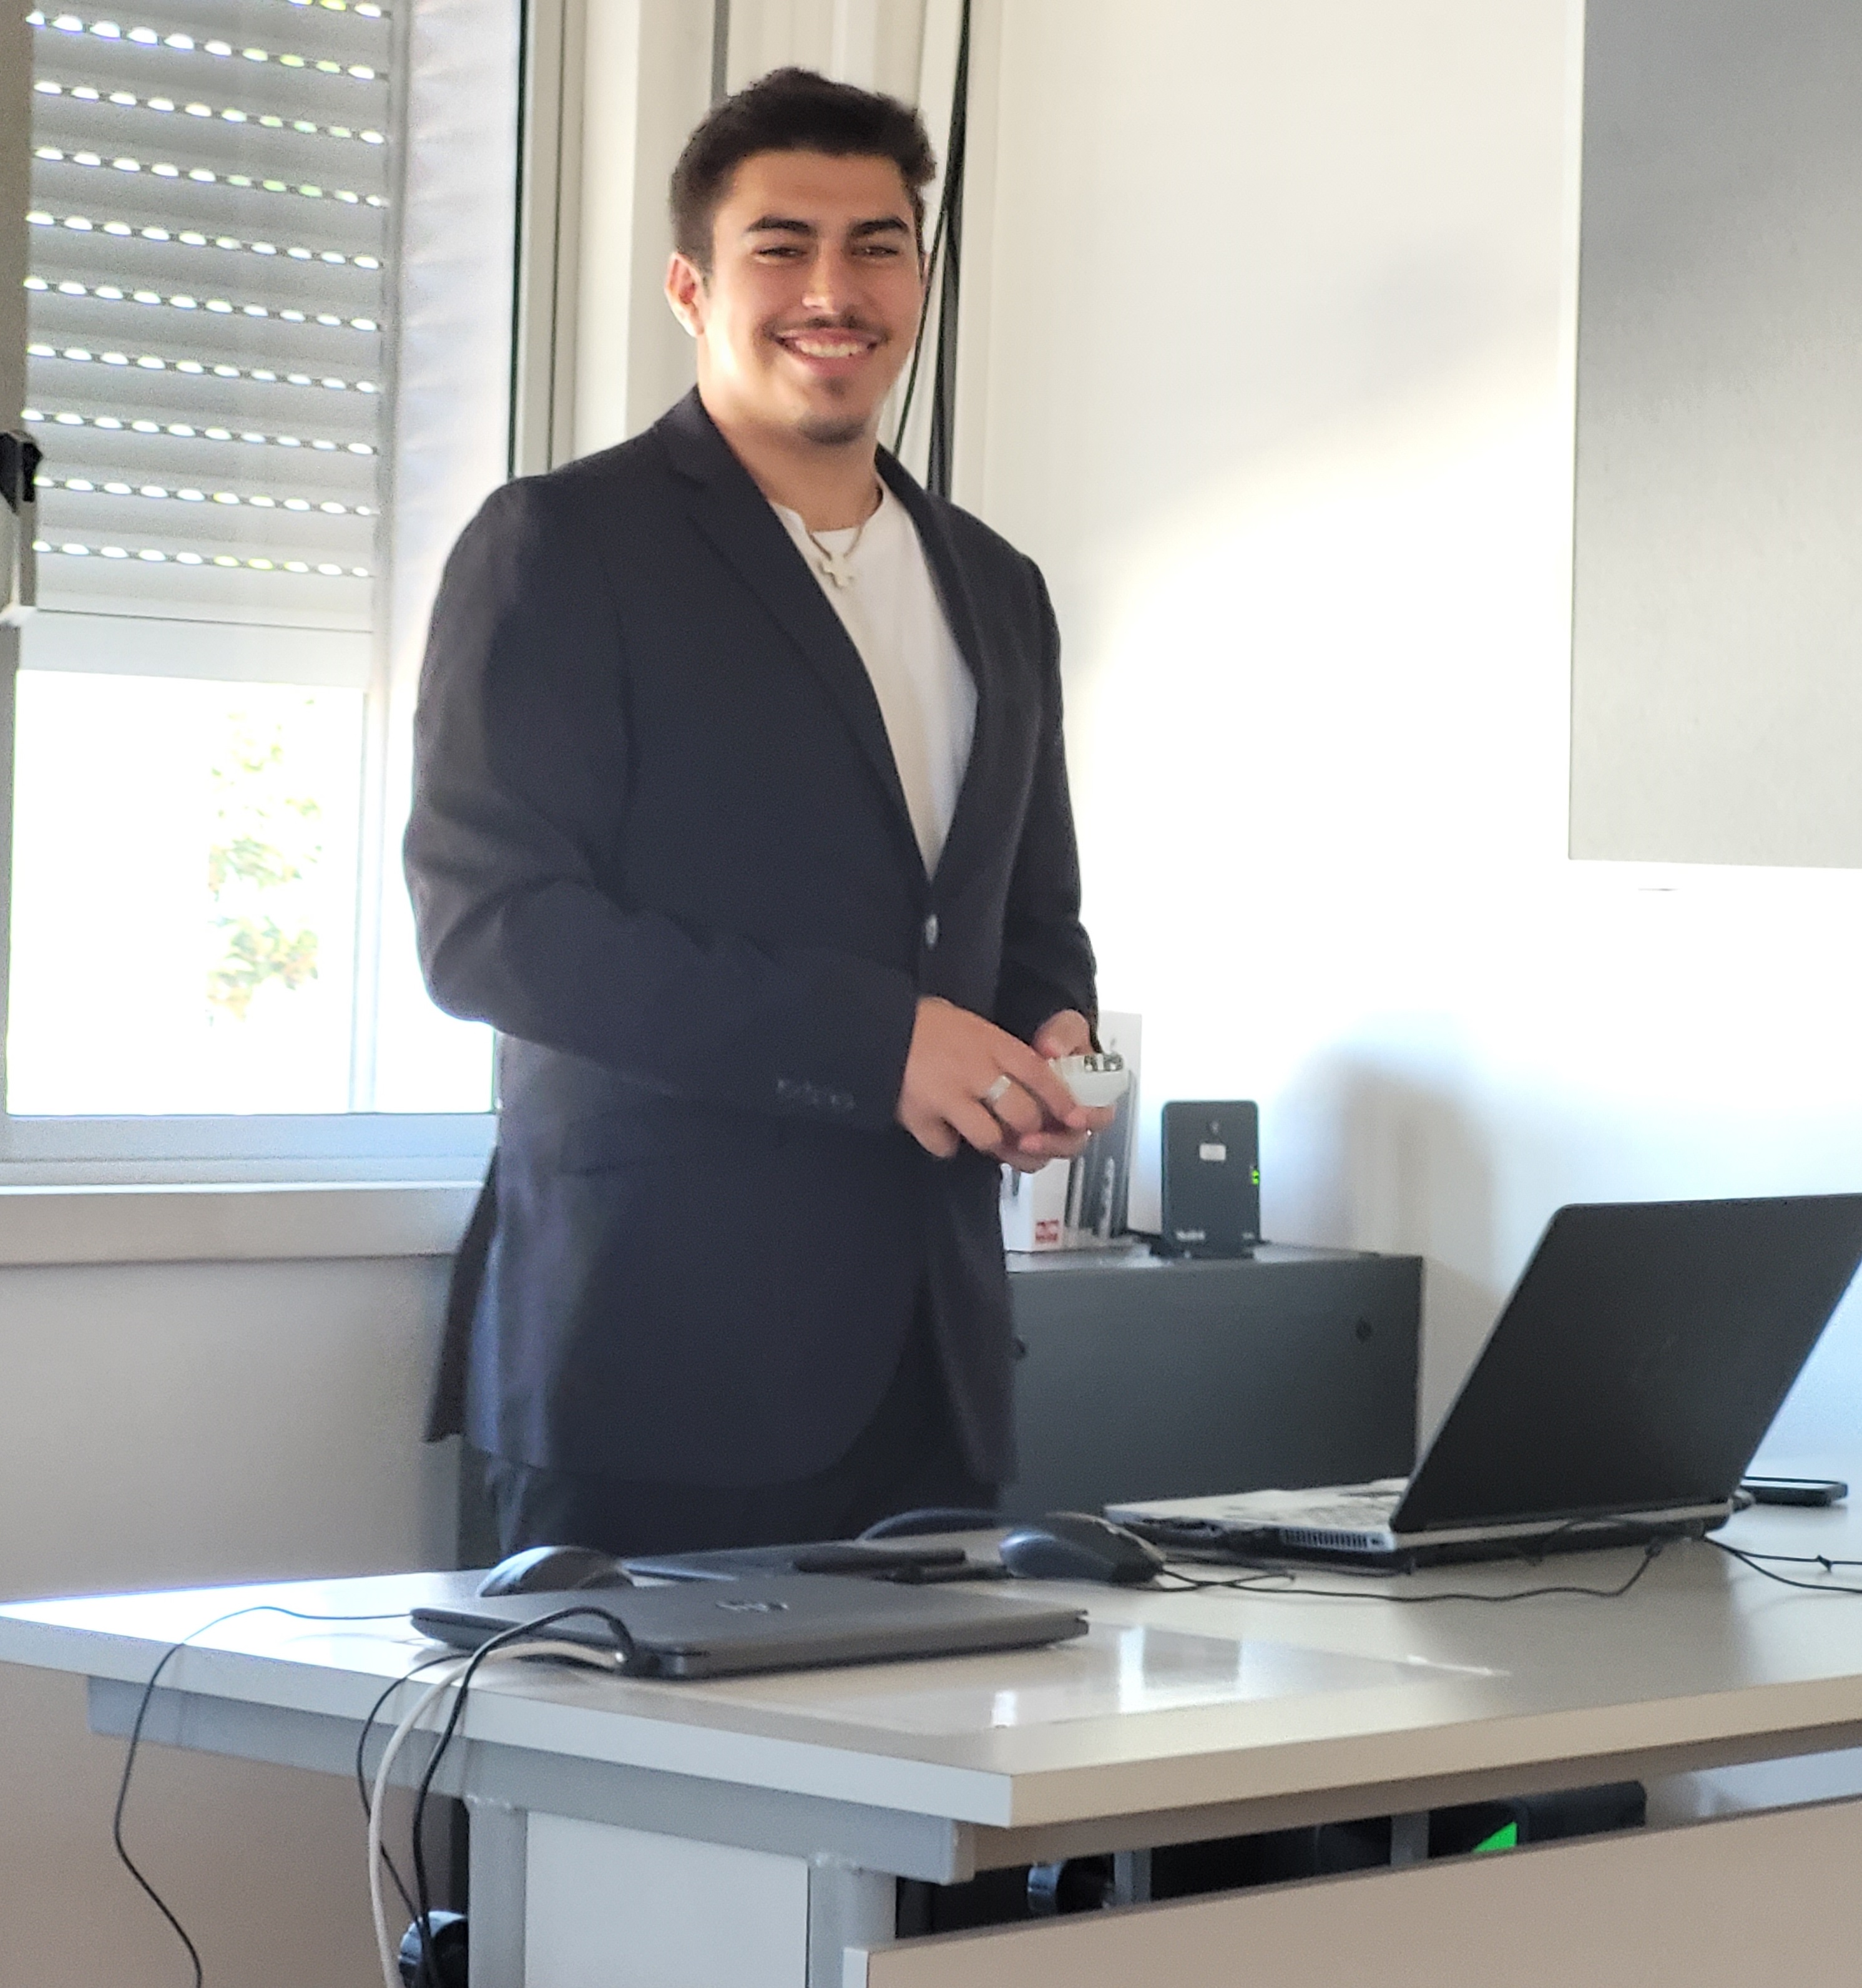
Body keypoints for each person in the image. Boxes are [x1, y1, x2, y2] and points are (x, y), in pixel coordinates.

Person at [404, 67, 1109, 1560]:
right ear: (690, 284)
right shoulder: (559, 545)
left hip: (934, 1370)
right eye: (781, 247)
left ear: (919, 279)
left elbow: (1029, 915)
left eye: (875, 247)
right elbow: (492, 933)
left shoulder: (998, 585)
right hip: (650, 1366)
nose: (832, 291)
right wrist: (877, 1041)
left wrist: (1050, 1039)